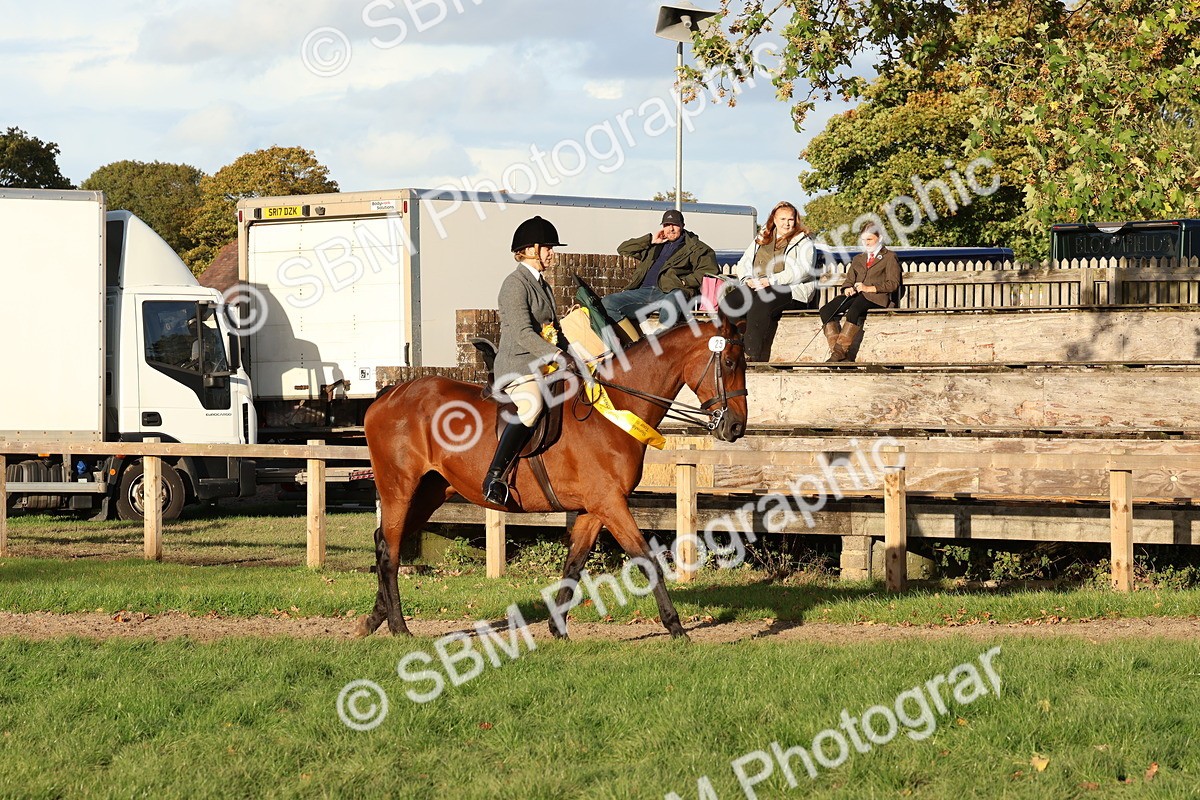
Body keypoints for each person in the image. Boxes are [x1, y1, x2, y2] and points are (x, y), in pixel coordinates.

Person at [482, 216, 567, 506]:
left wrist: (577, 357)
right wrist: (556, 354)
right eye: (547, 248)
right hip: (517, 365)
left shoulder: (543, 286)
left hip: (545, 364)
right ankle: (494, 477)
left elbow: (554, 330)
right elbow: (521, 333)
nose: (551, 253)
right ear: (530, 250)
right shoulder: (514, 284)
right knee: (532, 406)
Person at [731, 201, 818, 362]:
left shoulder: (803, 240)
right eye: (783, 219)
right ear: (774, 220)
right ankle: (729, 350)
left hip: (791, 289)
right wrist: (747, 279)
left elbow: (803, 270)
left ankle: (751, 355)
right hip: (759, 284)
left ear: (796, 220)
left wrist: (771, 280)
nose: (787, 223)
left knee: (761, 302)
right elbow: (744, 261)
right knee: (731, 301)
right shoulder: (762, 237)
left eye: (790, 219)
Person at [602, 209, 718, 327]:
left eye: (675, 225)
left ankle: (662, 341)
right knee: (607, 303)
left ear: (682, 226)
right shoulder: (654, 246)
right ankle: (633, 343)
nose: (671, 229)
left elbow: (708, 270)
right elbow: (623, 249)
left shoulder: (696, 248)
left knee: (671, 302)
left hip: (671, 291)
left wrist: (684, 281)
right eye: (667, 225)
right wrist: (650, 240)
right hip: (643, 291)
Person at [818, 222, 901, 362]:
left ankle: (838, 354)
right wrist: (847, 288)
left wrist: (869, 288)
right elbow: (849, 280)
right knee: (826, 310)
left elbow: (893, 284)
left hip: (876, 297)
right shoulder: (858, 259)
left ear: (879, 238)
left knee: (854, 310)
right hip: (857, 295)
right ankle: (839, 355)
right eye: (863, 240)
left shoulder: (889, 257)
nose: (866, 243)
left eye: (869, 239)